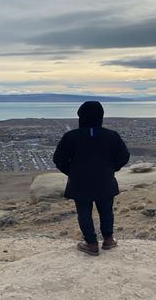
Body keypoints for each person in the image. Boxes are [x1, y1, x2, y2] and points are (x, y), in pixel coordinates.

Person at [53, 101, 130, 256]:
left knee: (84, 213)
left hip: (80, 183)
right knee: (106, 211)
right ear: (101, 116)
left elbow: (58, 159)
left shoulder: (71, 137)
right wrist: (111, 169)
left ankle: (91, 244)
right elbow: (124, 157)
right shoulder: (111, 136)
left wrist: (72, 172)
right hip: (105, 181)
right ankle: (108, 240)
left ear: (81, 116)